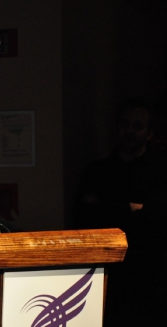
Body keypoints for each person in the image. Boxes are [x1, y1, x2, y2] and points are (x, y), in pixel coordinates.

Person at [73, 96, 167, 325]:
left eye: (137, 126)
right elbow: (83, 219)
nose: (130, 131)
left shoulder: (160, 173)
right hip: (105, 275)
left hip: (148, 276)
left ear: (149, 133)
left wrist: (109, 209)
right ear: (116, 128)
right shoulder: (97, 172)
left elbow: (156, 221)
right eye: (125, 124)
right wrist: (128, 208)